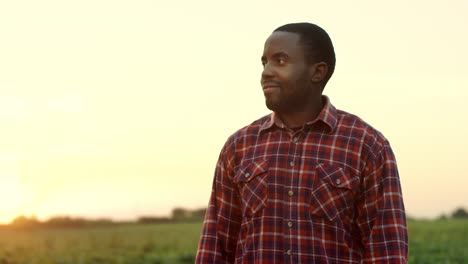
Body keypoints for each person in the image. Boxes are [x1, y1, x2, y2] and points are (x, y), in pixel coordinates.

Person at [196, 22, 408, 263]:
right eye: (264, 62)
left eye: (281, 61)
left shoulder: (366, 145)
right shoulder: (239, 147)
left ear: (317, 72)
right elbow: (215, 247)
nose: (266, 71)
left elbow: (386, 250)